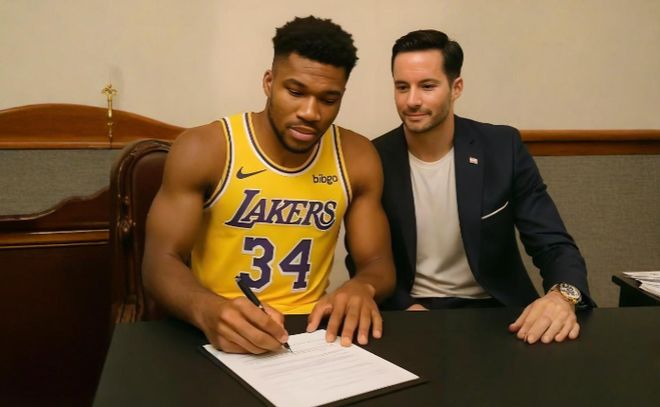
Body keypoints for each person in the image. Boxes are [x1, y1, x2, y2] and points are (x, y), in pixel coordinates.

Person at [143, 16, 395, 354]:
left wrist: (363, 287)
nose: (310, 112)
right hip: (217, 324)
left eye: (328, 99)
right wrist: (208, 310)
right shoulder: (206, 149)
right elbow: (159, 261)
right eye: (295, 92)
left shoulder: (357, 156)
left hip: (309, 334)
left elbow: (378, 263)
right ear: (269, 82)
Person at [354, 29, 594, 345]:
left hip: (498, 310)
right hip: (408, 311)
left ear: (456, 88)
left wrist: (562, 296)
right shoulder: (374, 157)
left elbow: (552, 243)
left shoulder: (502, 147)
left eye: (427, 86)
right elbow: (364, 258)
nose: (412, 100)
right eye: (402, 87)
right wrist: (405, 307)